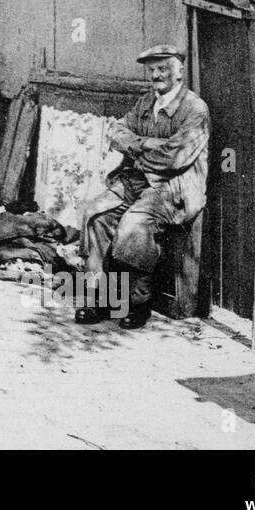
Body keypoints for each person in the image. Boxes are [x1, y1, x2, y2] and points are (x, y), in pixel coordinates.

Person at [76, 44, 210, 330]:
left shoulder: (195, 108)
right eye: (151, 70)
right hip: (138, 181)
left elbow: (176, 157)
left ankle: (138, 303)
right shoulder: (146, 102)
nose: (156, 75)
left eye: (163, 68)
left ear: (179, 72)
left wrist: (136, 146)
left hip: (176, 188)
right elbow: (117, 131)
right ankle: (104, 298)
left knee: (134, 224)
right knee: (96, 216)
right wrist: (147, 144)